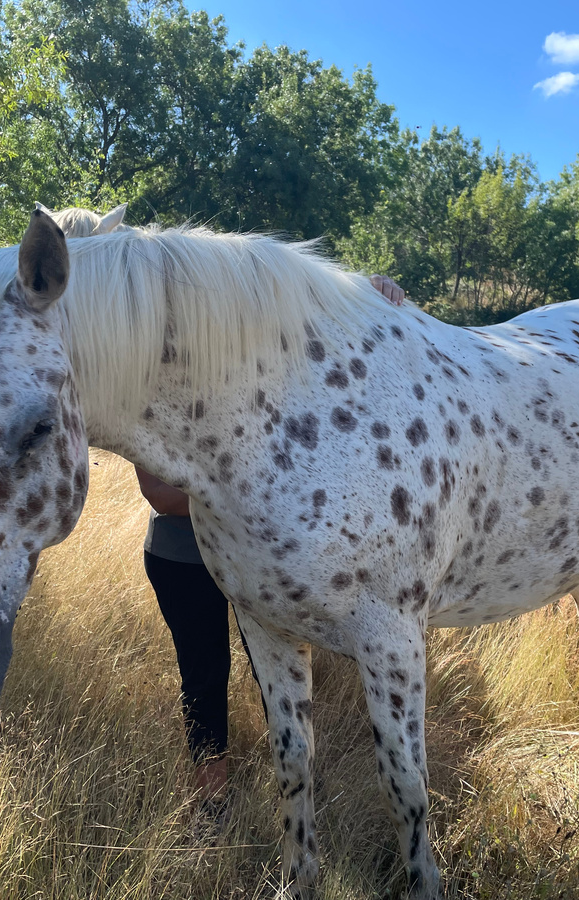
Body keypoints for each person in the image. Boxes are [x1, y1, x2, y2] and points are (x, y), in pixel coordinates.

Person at [138, 274, 406, 801]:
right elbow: (162, 497)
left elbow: (295, 303)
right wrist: (261, 494)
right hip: (183, 560)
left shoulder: (244, 380)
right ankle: (210, 790)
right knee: (203, 674)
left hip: (256, 556)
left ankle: (300, 774)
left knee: (279, 672)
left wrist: (361, 288)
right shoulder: (151, 393)